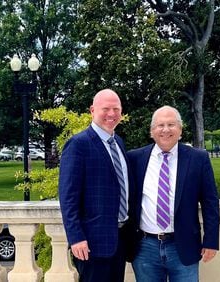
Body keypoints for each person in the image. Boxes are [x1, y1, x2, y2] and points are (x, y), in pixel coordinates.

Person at [127, 106, 220, 281]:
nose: (166, 130)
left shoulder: (198, 158)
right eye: (160, 125)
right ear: (152, 131)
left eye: (171, 124)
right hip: (145, 247)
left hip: (184, 245)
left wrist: (211, 240)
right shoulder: (134, 159)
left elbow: (210, 202)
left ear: (180, 130)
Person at [59, 89, 135, 282]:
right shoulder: (78, 144)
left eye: (116, 109)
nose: (111, 114)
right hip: (91, 243)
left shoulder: (118, 142)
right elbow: (68, 197)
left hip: (119, 240)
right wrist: (76, 237)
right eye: (106, 109)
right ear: (92, 110)